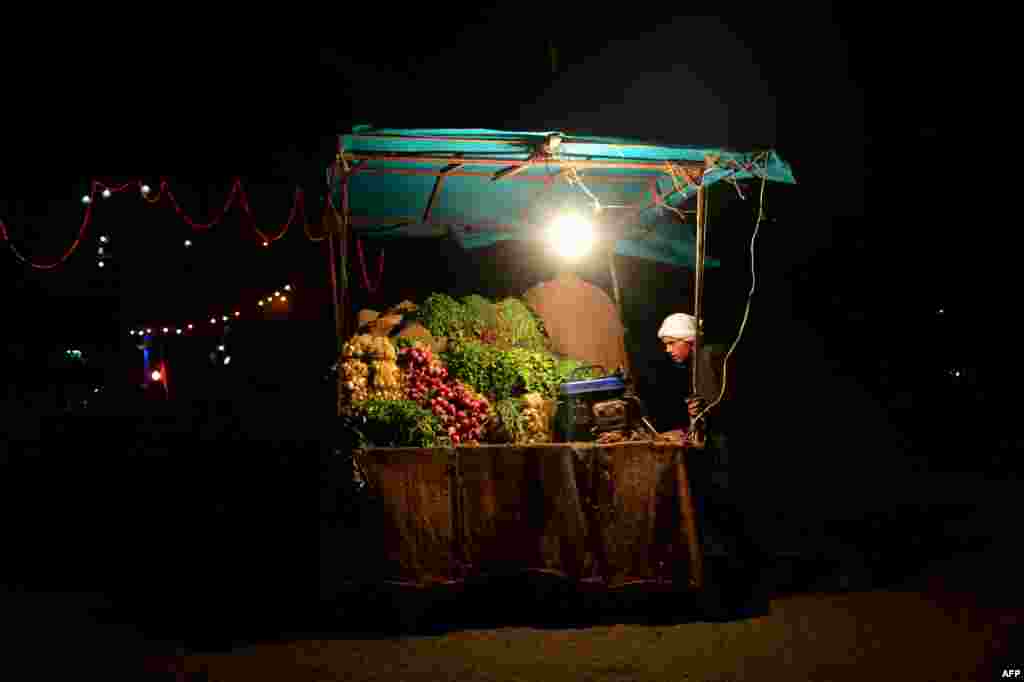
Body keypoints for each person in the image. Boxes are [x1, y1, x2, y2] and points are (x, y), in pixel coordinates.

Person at [657, 312, 771, 619]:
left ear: (689, 341)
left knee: (724, 514)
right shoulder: (698, 364)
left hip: (726, 445)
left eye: (671, 344)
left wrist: (705, 410)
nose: (668, 350)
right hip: (717, 442)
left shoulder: (712, 356)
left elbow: (728, 398)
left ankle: (739, 595)